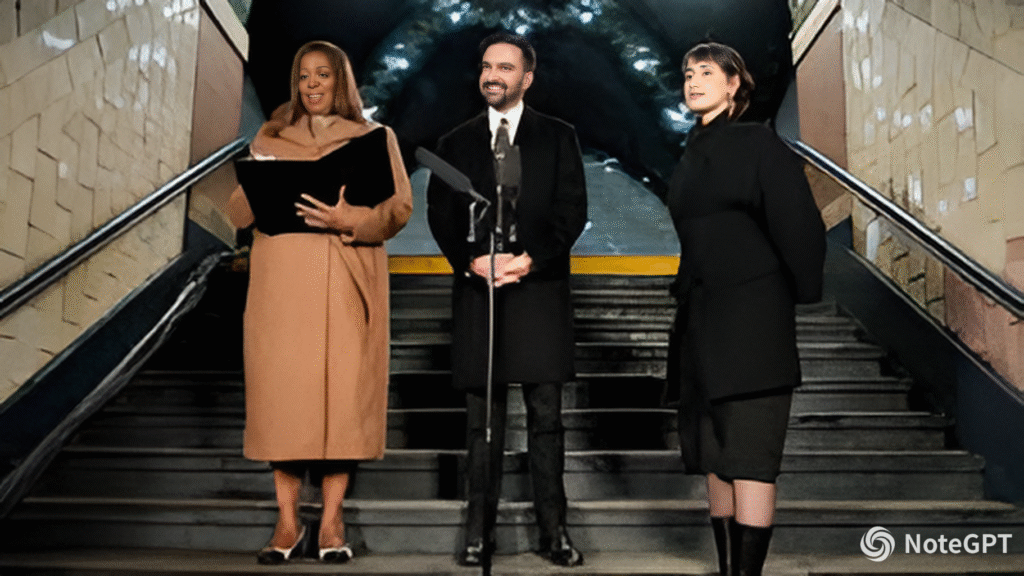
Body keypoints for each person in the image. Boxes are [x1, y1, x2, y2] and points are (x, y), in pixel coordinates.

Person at [227, 40, 412, 565]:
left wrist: (352, 219)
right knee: (283, 400)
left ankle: (331, 521)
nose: (312, 84)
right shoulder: (270, 136)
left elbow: (398, 207)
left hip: (345, 276)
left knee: (341, 401)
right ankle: (286, 522)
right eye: (304, 75)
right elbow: (239, 213)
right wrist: (255, 170)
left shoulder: (375, 137)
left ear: (341, 82)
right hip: (281, 282)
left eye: (323, 75)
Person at [426, 32, 588, 567]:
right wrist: (470, 259)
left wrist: (530, 259)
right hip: (480, 295)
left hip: (538, 292)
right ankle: (478, 534)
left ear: (527, 78)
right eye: (486, 66)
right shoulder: (455, 142)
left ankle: (554, 532)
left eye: (505, 67)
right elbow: (441, 214)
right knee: (481, 424)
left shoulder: (559, 136)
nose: (492, 75)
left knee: (547, 419)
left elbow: (571, 210)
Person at [666, 42, 825, 576]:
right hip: (700, 320)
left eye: (706, 72)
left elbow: (800, 226)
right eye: (688, 73)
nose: (692, 81)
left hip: (754, 320)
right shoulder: (687, 155)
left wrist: (786, 298)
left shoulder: (758, 141)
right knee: (715, 455)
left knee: (752, 457)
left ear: (735, 83)